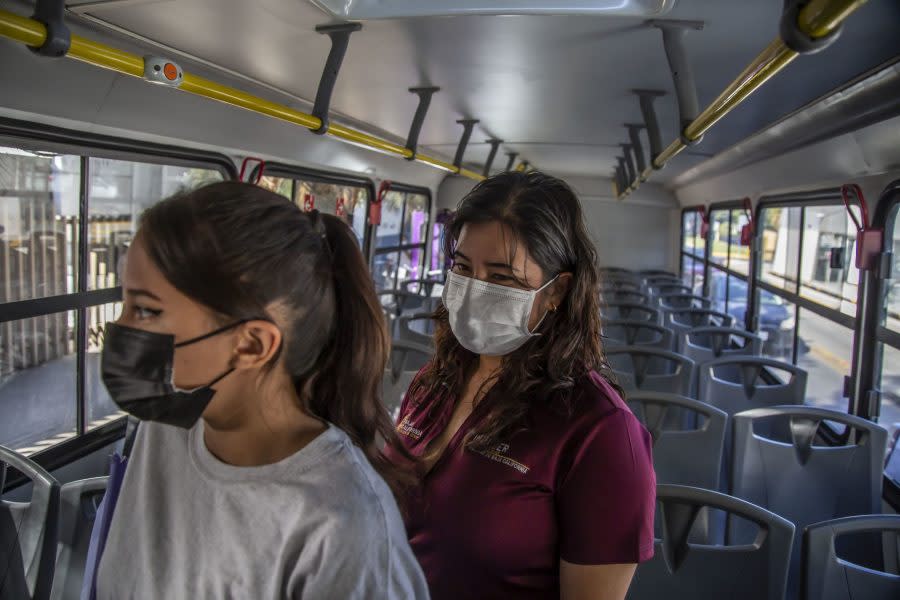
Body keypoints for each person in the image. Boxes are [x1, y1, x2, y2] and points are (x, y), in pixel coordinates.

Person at [96, 181, 429, 599]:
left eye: (145, 310)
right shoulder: (165, 429)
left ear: (251, 344)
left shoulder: (344, 527)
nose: (119, 328)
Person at [390, 171, 656, 600]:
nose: (474, 291)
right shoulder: (434, 381)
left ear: (556, 292)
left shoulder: (600, 433)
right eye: (462, 268)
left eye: (501, 278)